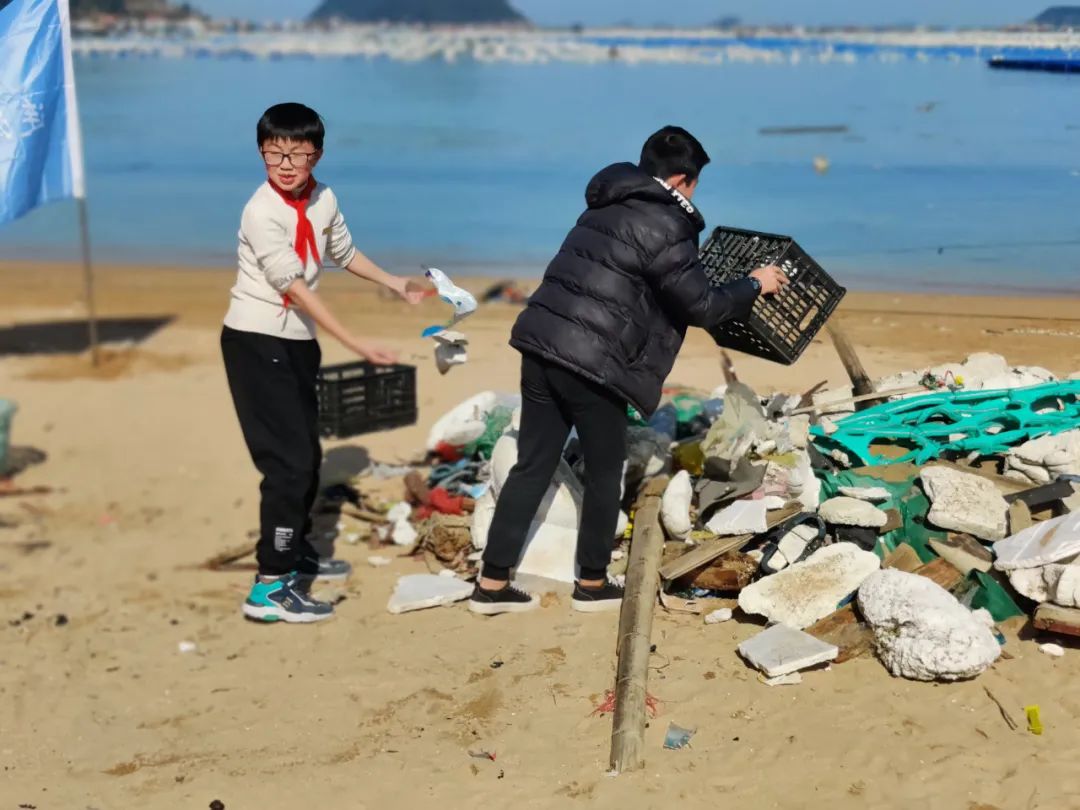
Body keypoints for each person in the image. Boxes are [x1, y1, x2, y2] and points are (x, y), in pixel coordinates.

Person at [469, 126, 789, 616]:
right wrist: (754, 283)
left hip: (541, 343)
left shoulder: (604, 204)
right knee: (605, 472)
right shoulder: (667, 225)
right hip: (592, 364)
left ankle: (491, 585)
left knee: (532, 465)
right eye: (695, 184)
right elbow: (702, 306)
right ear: (683, 180)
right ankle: (593, 584)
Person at [221, 102, 424, 623]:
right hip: (254, 338)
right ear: (262, 152)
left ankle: (295, 551)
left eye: (298, 154)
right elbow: (293, 287)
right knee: (286, 465)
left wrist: (396, 282)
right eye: (274, 154)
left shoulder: (324, 197)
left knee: (307, 455)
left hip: (296, 342)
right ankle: (270, 585)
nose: (286, 165)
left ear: (317, 154)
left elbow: (343, 251)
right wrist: (358, 345)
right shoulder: (260, 211)